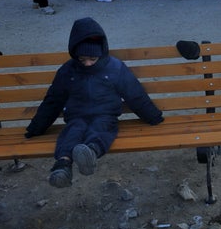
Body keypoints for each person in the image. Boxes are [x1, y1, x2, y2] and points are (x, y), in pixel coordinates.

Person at [24, 17, 163, 188]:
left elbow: (134, 94)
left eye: (92, 59)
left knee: (101, 130)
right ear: (75, 55)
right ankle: (63, 165)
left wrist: (153, 116)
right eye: (82, 59)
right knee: (71, 133)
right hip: (77, 115)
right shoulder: (68, 70)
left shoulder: (114, 67)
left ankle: (90, 152)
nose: (88, 63)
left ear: (101, 52)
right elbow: (53, 100)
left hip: (105, 114)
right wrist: (36, 128)